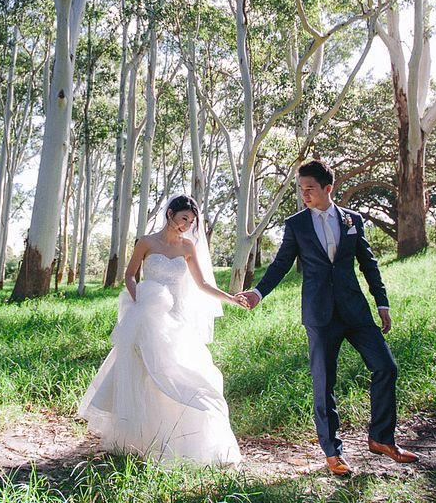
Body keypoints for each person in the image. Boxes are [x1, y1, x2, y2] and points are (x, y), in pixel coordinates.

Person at [237, 161, 418, 476]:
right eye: (301, 189)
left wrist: (382, 302)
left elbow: (369, 263)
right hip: (320, 315)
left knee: (386, 367)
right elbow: (280, 264)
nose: (304, 194)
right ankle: (333, 453)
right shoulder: (296, 225)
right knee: (324, 384)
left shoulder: (353, 220)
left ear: (327, 188)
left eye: (309, 188)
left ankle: (381, 438)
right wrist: (258, 292)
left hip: (355, 310)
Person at [77, 194, 244, 466]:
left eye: (191, 221)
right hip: (148, 316)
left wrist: (231, 297)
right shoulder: (146, 242)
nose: (186, 225)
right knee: (143, 374)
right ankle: (140, 438)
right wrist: (138, 301)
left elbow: (202, 285)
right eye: (183, 219)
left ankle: (182, 439)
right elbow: (130, 275)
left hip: (176, 320)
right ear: (170, 215)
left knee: (181, 372)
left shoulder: (188, 247)